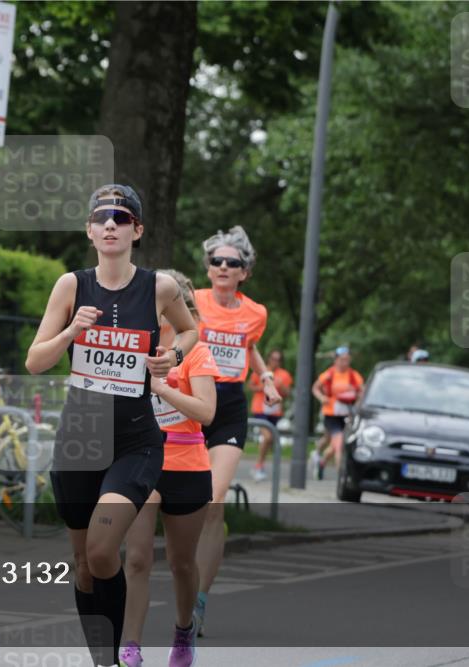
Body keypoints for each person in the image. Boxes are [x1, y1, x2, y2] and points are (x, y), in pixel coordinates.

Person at [25, 184, 198, 666]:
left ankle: (123, 655)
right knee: (83, 566)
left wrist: (172, 356)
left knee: (103, 551)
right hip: (81, 438)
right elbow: (36, 360)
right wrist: (72, 331)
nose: (110, 225)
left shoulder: (159, 286)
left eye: (121, 218)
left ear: (136, 231)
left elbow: (189, 328)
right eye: (101, 217)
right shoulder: (71, 285)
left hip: (135, 440)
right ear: (88, 230)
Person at [120, 272, 216, 667]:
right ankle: (131, 645)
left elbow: (207, 412)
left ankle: (182, 629)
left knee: (181, 563)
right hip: (143, 463)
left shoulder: (195, 352)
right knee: (138, 558)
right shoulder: (133, 346)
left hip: (187, 465)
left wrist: (164, 389)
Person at [191, 226, 280, 637]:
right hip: (189, 401)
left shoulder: (256, 313)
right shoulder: (192, 300)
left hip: (228, 406)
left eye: (233, 263)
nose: (224, 267)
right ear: (208, 268)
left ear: (245, 272)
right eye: (217, 261)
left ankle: (199, 600)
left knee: (214, 502)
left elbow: (248, 345)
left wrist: (265, 378)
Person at [311, 346, 364, 479]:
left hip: (347, 414)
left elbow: (362, 392)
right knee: (339, 443)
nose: (344, 363)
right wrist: (322, 398)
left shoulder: (354, 375)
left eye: (347, 360)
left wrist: (357, 401)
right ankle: (342, 477)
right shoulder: (329, 374)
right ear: (335, 360)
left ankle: (322, 463)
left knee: (335, 445)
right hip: (331, 414)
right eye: (341, 360)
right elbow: (315, 388)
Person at [247, 349, 292, 481]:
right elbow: (251, 386)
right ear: (268, 359)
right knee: (267, 437)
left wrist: (280, 386)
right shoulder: (261, 370)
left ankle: (260, 464)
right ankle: (258, 466)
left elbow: (287, 393)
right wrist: (265, 386)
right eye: (273, 358)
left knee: (270, 439)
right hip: (260, 409)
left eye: (278, 359)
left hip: (275, 410)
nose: (275, 362)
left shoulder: (284, 374)